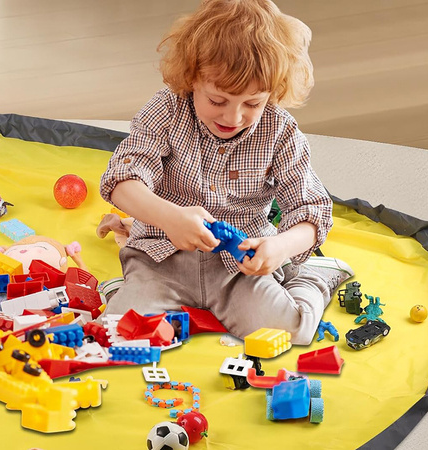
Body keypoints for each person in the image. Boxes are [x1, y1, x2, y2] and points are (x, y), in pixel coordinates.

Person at [99, 0, 354, 345]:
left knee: (292, 331)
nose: (233, 118)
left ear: (273, 93)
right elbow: (121, 180)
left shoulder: (280, 130)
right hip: (160, 259)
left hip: (238, 268)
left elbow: (312, 210)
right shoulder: (167, 108)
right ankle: (123, 290)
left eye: (252, 104)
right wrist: (170, 218)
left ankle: (311, 277)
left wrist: (279, 247)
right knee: (117, 333)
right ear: (191, 78)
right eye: (217, 101)